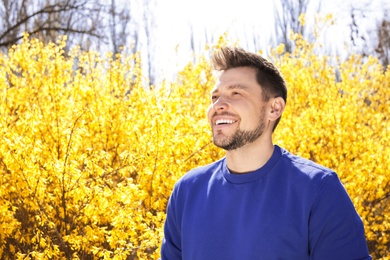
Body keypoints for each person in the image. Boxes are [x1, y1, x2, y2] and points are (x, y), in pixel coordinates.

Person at [160, 46, 371, 259]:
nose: (219, 105)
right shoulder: (187, 192)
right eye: (215, 97)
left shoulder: (318, 189)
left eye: (236, 93)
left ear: (274, 109)